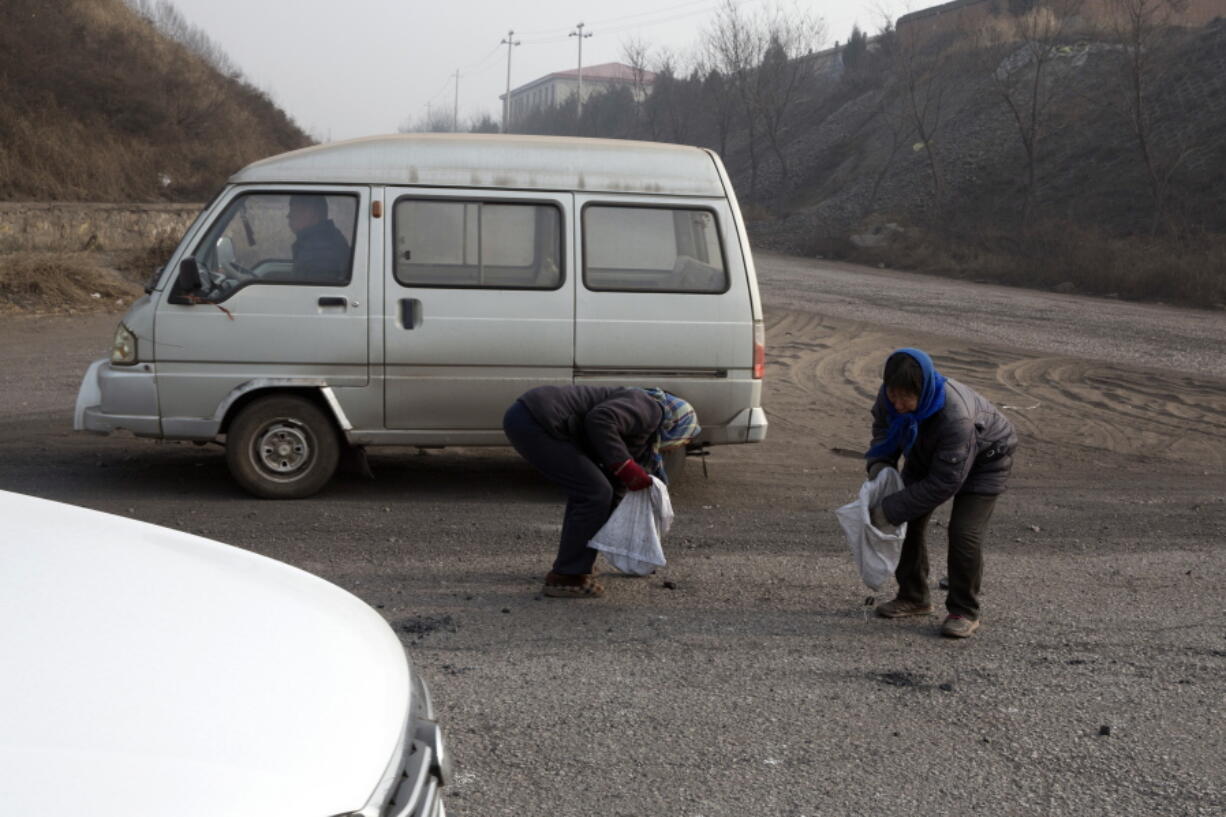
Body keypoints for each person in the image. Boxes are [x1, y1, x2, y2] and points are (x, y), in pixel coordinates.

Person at [865, 348, 1017, 638]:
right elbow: (883, 429)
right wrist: (880, 464)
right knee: (907, 520)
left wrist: (889, 509)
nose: (896, 404)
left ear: (921, 391)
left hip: (987, 460)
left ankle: (964, 611)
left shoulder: (955, 417)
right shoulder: (890, 397)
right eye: (892, 395)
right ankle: (914, 597)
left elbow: (944, 483)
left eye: (904, 397)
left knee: (964, 533)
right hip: (931, 455)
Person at [502, 385, 701, 598]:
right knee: (594, 493)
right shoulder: (651, 409)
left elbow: (615, 483)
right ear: (678, 425)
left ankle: (577, 563)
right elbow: (600, 420)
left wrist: (628, 534)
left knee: (595, 491)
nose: (674, 447)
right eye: (682, 440)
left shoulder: (643, 430)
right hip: (536, 419)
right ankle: (566, 577)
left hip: (537, 419)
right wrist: (626, 467)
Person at [288, 194, 350, 282]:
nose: (289, 215)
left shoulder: (320, 249)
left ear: (310, 213)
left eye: (293, 210)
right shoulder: (321, 240)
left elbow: (309, 291)